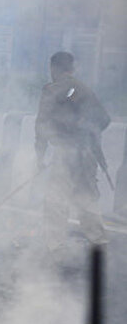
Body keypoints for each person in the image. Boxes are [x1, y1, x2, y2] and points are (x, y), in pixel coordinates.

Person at [35, 51, 111, 252]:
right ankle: (98, 241)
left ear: (54, 68)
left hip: (66, 153)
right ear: (72, 68)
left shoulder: (52, 89)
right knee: (86, 197)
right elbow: (104, 119)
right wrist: (86, 132)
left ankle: (55, 245)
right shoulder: (84, 89)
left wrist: (39, 157)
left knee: (55, 198)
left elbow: (41, 125)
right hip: (87, 154)